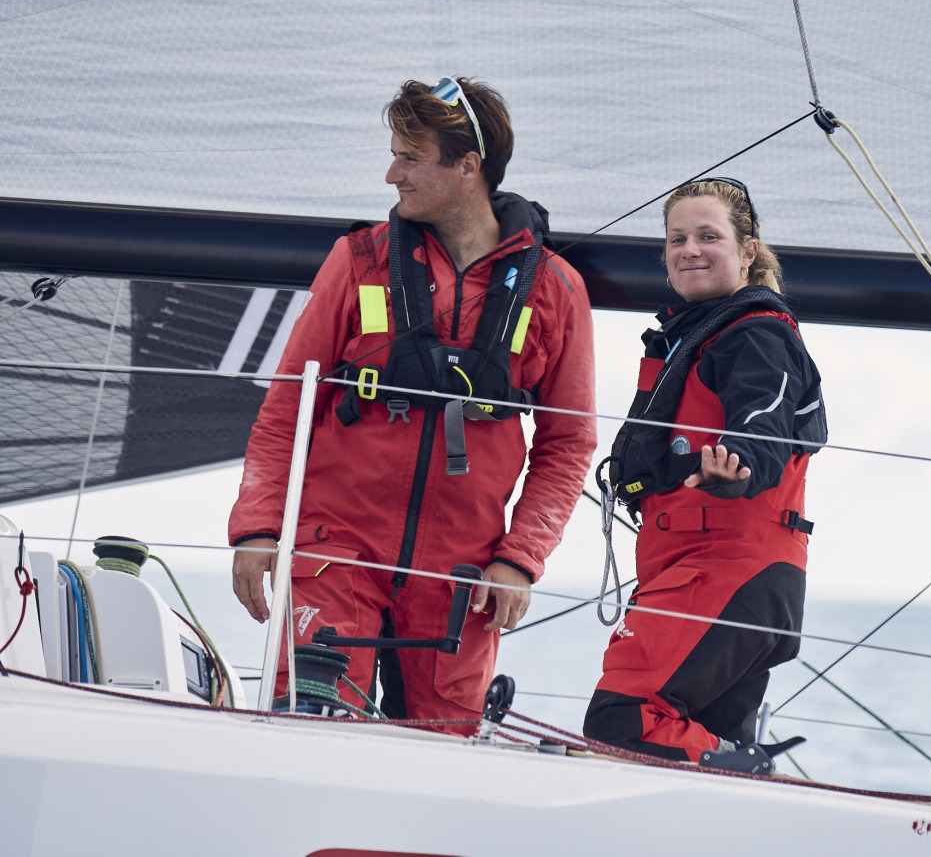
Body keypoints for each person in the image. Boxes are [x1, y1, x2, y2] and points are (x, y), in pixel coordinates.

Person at [229, 77, 595, 734]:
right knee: (306, 736)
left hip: (463, 576)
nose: (391, 174)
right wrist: (257, 529)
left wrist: (520, 557)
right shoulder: (357, 260)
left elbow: (568, 444)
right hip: (336, 552)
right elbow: (287, 406)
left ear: (468, 167)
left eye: (409, 158)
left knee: (443, 761)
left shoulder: (557, 289)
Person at [583, 177, 826, 767]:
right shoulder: (692, 336)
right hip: (702, 573)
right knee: (688, 743)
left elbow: (765, 420)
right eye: (676, 239)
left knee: (621, 722)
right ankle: (737, 772)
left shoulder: (758, 335)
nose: (689, 250)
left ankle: (745, 766)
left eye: (708, 236)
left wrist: (740, 465)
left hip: (729, 569)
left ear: (747, 251)